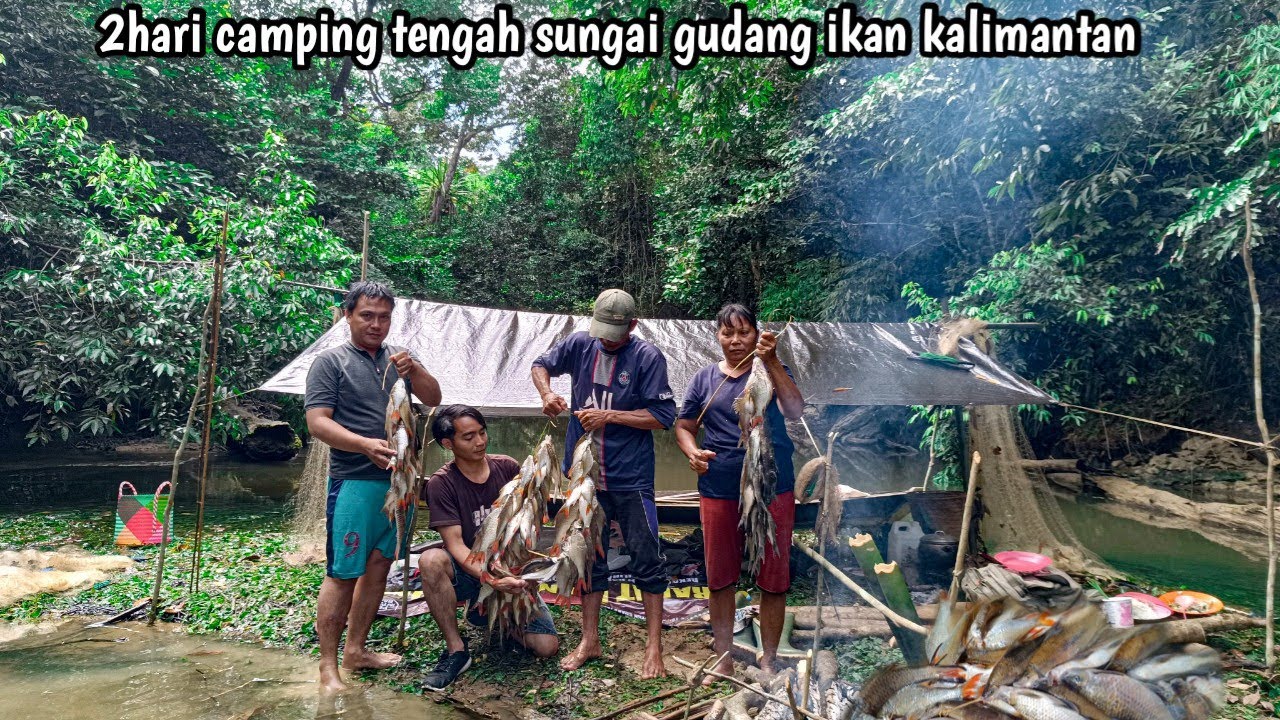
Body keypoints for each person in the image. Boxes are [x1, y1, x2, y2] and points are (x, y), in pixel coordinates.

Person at [530, 288, 677, 679]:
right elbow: (540, 364)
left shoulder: (647, 357)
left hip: (631, 478)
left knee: (647, 558)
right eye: (602, 329)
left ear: (633, 324)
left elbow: (664, 416)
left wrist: (611, 416)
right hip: (585, 478)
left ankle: (653, 648)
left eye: (617, 331)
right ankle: (589, 640)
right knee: (590, 557)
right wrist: (548, 393)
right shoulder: (581, 344)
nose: (608, 338)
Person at [304, 281, 442, 692]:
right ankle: (328, 667)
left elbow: (434, 398)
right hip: (354, 481)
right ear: (348, 315)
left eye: (383, 317)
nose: (376, 324)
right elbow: (318, 422)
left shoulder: (399, 361)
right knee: (343, 571)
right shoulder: (330, 363)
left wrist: (414, 370)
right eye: (367, 315)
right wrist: (364, 445)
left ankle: (357, 650)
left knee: (380, 565)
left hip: (400, 480)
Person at [674, 303, 804, 681]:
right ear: (717, 335)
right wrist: (692, 452)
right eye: (727, 333)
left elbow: (795, 411)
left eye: (744, 332)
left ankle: (769, 658)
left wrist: (774, 362)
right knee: (720, 575)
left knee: (774, 573)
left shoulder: (772, 372)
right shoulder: (703, 380)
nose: (735, 340)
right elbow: (683, 427)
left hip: (772, 484)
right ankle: (724, 657)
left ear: (757, 333)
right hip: (719, 486)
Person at [416, 404, 561, 689]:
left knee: (546, 647)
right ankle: (456, 649)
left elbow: (529, 521)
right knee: (431, 560)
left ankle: (488, 613)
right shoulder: (440, 484)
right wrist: (490, 578)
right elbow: (455, 545)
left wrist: (520, 574)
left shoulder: (507, 467)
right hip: (471, 570)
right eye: (468, 437)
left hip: (510, 568)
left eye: (482, 433)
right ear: (448, 443)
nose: (480, 441)